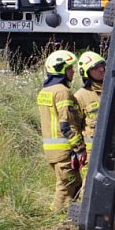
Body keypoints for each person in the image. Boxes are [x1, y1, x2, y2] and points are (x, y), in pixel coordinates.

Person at [38, 50, 85, 212]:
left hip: (52, 151)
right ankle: (58, 219)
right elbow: (67, 124)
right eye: (69, 68)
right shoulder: (63, 92)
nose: (73, 71)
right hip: (64, 150)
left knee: (72, 183)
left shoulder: (45, 91)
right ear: (60, 70)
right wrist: (79, 148)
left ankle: (69, 215)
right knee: (67, 187)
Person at [74, 51, 106, 170]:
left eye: (102, 65)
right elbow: (74, 127)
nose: (101, 69)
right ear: (86, 73)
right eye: (96, 68)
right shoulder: (80, 96)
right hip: (93, 153)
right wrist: (79, 150)